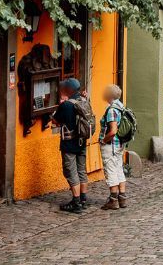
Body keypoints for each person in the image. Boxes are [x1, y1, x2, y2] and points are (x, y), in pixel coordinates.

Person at [54, 77, 91, 214]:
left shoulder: (66, 105)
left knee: (71, 172)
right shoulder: (83, 101)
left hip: (69, 143)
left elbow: (56, 120)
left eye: (64, 88)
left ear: (68, 90)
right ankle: (83, 199)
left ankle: (76, 203)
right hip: (81, 142)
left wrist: (60, 103)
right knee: (82, 170)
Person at [98, 83, 132, 211]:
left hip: (111, 145)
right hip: (119, 145)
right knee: (118, 169)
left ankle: (113, 200)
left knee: (111, 170)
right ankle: (122, 198)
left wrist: (103, 140)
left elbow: (112, 131)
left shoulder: (112, 110)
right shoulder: (121, 107)